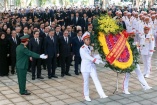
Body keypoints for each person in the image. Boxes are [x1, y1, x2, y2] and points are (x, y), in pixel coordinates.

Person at [80, 32, 108, 101]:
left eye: (89, 39)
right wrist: (97, 61)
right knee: (86, 82)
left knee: (96, 80)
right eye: (87, 40)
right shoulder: (82, 48)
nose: (88, 41)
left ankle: (102, 94)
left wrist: (101, 56)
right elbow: (88, 57)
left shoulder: (90, 47)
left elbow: (93, 56)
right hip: (85, 67)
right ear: (84, 40)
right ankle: (86, 96)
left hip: (92, 67)